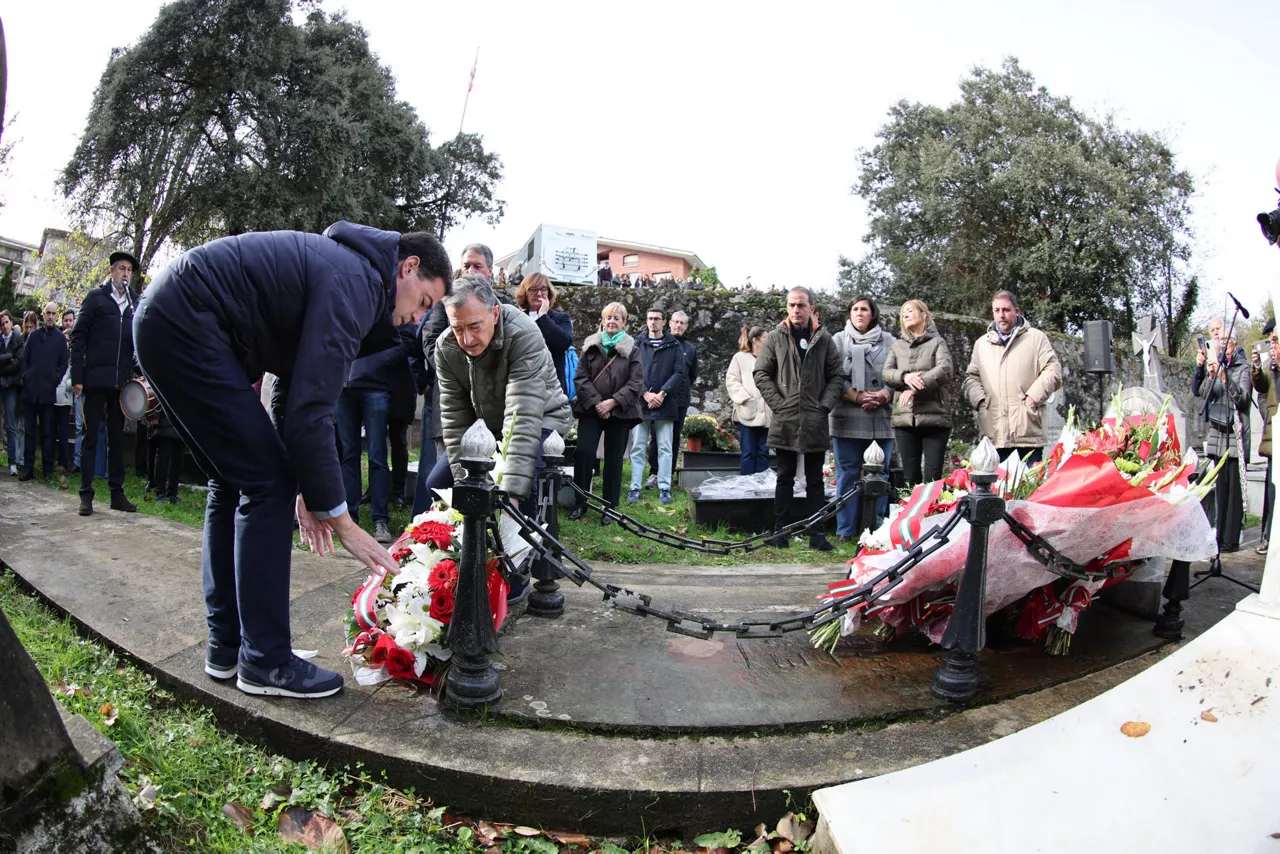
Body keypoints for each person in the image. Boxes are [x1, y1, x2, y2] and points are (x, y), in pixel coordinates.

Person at [134, 222, 452, 699]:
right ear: (407, 268)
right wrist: (344, 521)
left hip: (169, 317)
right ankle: (266, 663)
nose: (416, 318)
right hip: (189, 323)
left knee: (232, 479)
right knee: (264, 483)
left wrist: (307, 484)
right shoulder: (359, 284)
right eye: (424, 302)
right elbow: (312, 411)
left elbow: (289, 388)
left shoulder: (346, 270)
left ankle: (231, 647)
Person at [434, 275, 573, 606]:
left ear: (495, 313)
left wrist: (508, 493)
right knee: (438, 484)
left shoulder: (523, 333)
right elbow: (455, 419)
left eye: (475, 326)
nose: (466, 338)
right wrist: (464, 486)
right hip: (488, 430)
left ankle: (521, 575)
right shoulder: (446, 347)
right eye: (457, 328)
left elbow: (523, 417)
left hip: (542, 418)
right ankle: (460, 565)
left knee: (520, 491)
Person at [754, 287, 843, 551]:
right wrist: (780, 405)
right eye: (792, 305)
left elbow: (836, 376)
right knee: (785, 477)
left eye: (801, 305)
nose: (796, 310)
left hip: (815, 418)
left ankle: (816, 533)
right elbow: (761, 373)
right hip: (786, 418)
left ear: (811, 309)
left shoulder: (824, 338)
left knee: (816, 479)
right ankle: (780, 531)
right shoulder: (775, 338)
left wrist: (824, 406)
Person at [70, 251, 142, 515]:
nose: (125, 274)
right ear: (112, 271)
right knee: (91, 437)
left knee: (116, 439)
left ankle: (116, 494)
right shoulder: (96, 298)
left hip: (120, 382)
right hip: (96, 379)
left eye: (129, 270)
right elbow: (78, 337)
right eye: (121, 269)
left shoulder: (134, 304)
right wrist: (77, 377)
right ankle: (86, 494)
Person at [961, 290, 1062, 464]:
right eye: (997, 310)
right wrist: (981, 402)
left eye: (1006, 310)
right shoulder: (981, 344)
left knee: (1029, 488)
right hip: (994, 431)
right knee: (996, 489)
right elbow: (971, 377)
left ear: (1017, 310)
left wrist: (1031, 399)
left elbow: (1053, 370)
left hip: (1027, 430)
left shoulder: (1036, 338)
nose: (1001, 315)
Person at [336, 319, 414, 544]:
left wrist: (375, 362)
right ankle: (350, 518)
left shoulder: (390, 300)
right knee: (348, 454)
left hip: (375, 386)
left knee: (377, 455)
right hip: (344, 385)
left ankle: (380, 519)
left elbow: (406, 339)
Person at [569, 302, 644, 523]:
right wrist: (596, 403)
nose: (611, 321)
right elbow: (580, 378)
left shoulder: (633, 350)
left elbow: (636, 382)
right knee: (583, 454)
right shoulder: (590, 346)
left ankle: (609, 508)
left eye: (616, 318)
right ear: (602, 320)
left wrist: (612, 402)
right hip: (591, 410)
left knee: (614, 460)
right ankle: (580, 502)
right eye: (608, 317)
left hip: (620, 412)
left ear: (624, 322)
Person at [829, 296, 896, 542]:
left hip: (880, 416)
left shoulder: (890, 341)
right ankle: (845, 531)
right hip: (847, 417)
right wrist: (855, 396)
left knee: (880, 475)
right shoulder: (837, 340)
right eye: (855, 309)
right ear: (849, 313)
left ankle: (875, 530)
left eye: (864, 309)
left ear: (873, 314)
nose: (859, 313)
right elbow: (832, 374)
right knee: (847, 474)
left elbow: (898, 373)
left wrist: (884, 394)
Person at [883, 299, 954, 486]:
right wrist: (905, 377)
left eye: (909, 311)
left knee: (933, 478)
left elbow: (945, 369)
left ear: (923, 315)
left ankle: (933, 515)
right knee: (909, 478)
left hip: (935, 418)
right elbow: (886, 373)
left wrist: (917, 385)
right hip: (905, 419)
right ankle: (911, 515)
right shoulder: (897, 346)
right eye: (902, 313)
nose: (905, 315)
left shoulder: (938, 342)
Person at [1195, 318, 1250, 552]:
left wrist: (1227, 380)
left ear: (1234, 344)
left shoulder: (1242, 368)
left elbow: (1244, 398)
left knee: (1233, 489)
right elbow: (1204, 396)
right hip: (1218, 434)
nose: (1222, 347)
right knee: (1221, 488)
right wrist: (1210, 375)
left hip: (1234, 435)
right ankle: (1219, 537)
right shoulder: (1218, 367)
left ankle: (1231, 539)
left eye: (1226, 344)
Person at [627, 307, 687, 505]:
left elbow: (680, 372)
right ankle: (635, 487)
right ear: (647, 320)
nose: (653, 322)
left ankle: (664, 487)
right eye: (650, 318)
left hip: (666, 403)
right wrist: (645, 393)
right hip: (641, 404)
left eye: (657, 319)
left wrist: (662, 394)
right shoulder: (637, 344)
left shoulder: (674, 345)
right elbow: (632, 371)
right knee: (637, 447)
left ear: (664, 322)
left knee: (665, 447)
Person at [17, 303, 67, 483]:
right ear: (43, 315)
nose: (51, 316)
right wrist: (26, 377)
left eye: (54, 313)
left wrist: (55, 379)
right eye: (48, 313)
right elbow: (24, 359)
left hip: (47, 393)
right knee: (30, 432)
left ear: (57, 315)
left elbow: (64, 364)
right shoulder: (34, 336)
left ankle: (47, 470)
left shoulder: (60, 339)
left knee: (47, 433)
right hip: (31, 392)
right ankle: (28, 468)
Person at [649, 310, 697, 486]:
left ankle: (668, 472)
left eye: (682, 323)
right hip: (660, 397)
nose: (678, 325)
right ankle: (654, 472)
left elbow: (692, 375)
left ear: (686, 326)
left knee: (675, 436)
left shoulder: (690, 349)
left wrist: (679, 389)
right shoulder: (660, 343)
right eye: (675, 322)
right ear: (669, 323)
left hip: (680, 399)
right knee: (656, 435)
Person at [515, 272, 573, 396]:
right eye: (533, 289)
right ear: (525, 293)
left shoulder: (561, 318)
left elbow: (564, 343)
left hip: (553, 388)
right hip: (524, 386)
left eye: (543, 289)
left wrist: (543, 316)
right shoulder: (517, 319)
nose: (539, 293)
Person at [725, 325, 771, 475]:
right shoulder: (740, 358)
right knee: (748, 452)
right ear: (755, 340)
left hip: (766, 413)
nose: (768, 340)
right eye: (765, 337)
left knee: (763, 451)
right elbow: (732, 380)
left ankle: (763, 488)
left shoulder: (771, 358)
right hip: (747, 412)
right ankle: (747, 487)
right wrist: (745, 399)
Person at [1252, 317, 1278, 555]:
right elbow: (1261, 389)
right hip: (1273, 435)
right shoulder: (1272, 365)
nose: (1272, 341)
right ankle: (1268, 537)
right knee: (1272, 490)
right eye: (1271, 338)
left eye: (1275, 338)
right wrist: (1259, 367)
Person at [0, 310, 22, 475]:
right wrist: (9, 357)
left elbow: (18, 364)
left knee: (11, 425)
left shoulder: (17, 339)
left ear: (11, 322)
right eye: (2, 324)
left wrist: (5, 362)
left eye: (7, 322)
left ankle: (12, 462)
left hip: (11, 387)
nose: (5, 326)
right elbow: (12, 361)